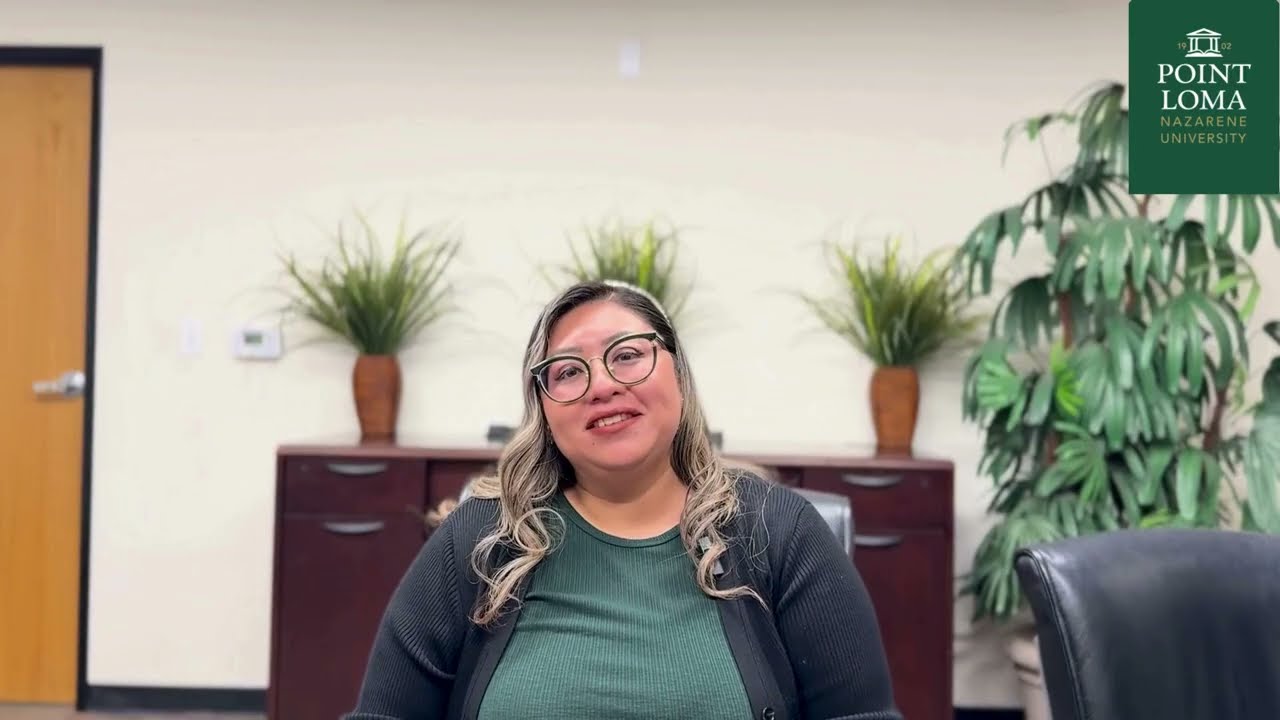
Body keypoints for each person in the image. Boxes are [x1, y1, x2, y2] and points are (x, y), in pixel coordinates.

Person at [343, 280, 901, 720]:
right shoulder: (480, 541)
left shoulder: (780, 533)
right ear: (544, 408)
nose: (603, 385)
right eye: (568, 371)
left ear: (678, 375)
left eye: (628, 355)